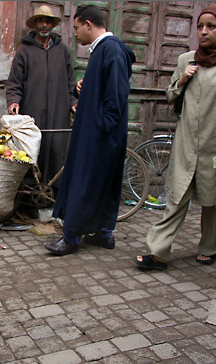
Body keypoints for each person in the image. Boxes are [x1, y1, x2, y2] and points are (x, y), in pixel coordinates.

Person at [135, 4, 216, 270]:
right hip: (187, 141)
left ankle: (211, 247)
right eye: (200, 26)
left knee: (213, 201)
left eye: (211, 26)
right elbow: (171, 95)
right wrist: (182, 80)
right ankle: (159, 252)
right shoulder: (187, 60)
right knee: (177, 195)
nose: (204, 31)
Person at [44, 5, 135, 256]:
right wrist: (87, 86)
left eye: (76, 28)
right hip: (102, 134)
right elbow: (105, 87)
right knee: (103, 182)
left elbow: (116, 96)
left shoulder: (111, 50)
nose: (75, 34)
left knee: (85, 182)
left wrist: (99, 130)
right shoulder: (103, 51)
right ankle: (103, 233)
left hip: (100, 135)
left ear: (88, 24)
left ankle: (71, 237)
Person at [6, 5, 77, 201]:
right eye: (40, 21)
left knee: (57, 152)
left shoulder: (62, 51)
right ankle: (30, 201)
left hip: (58, 112)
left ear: (53, 24)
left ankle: (56, 200)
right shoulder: (24, 51)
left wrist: (73, 102)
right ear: (35, 24)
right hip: (32, 111)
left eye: (48, 21)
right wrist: (14, 101)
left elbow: (71, 81)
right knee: (31, 154)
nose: (44, 25)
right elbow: (14, 82)